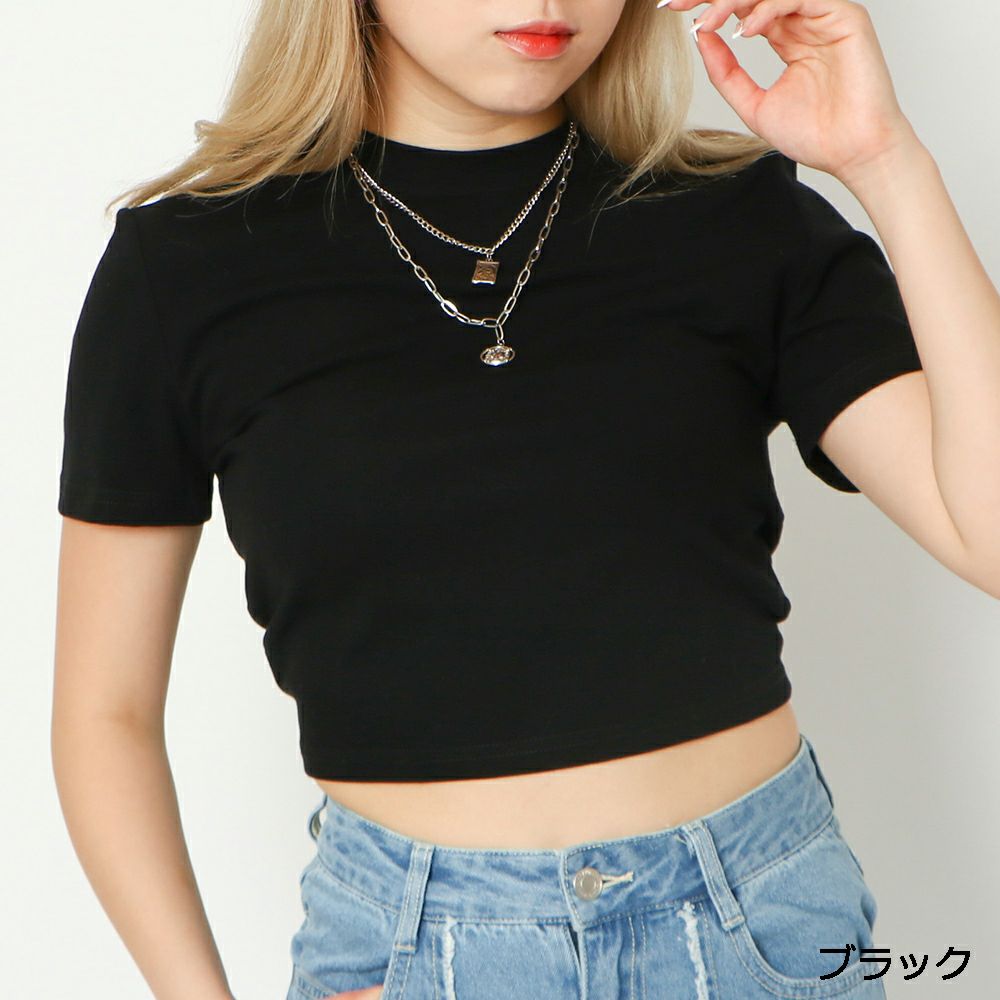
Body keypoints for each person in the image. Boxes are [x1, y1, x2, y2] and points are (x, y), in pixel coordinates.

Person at [52, 1, 1000, 999]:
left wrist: (885, 160)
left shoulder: (734, 214)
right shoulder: (187, 268)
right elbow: (105, 715)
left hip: (756, 929)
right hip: (415, 952)